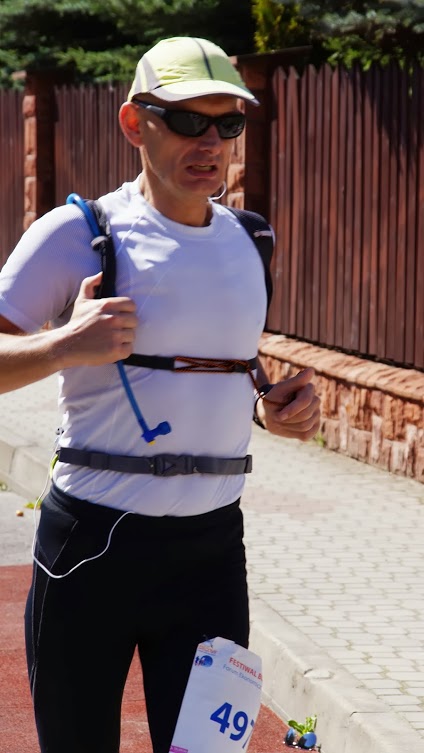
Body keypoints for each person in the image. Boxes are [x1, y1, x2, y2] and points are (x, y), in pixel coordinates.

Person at [0, 36, 320, 753]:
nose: (210, 142)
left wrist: (274, 408)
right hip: (92, 548)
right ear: (133, 123)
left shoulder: (251, 241)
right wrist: (64, 346)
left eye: (227, 123)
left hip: (211, 554)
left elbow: (232, 367)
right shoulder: (78, 233)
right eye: (185, 120)